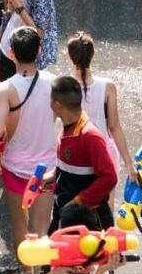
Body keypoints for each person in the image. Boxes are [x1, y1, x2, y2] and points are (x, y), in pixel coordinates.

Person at [0, 27, 58, 247]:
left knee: (20, 226)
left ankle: (25, 267)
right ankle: (42, 268)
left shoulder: (5, 89)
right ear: (39, 50)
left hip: (15, 168)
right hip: (46, 169)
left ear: (11, 53)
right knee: (42, 228)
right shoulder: (54, 82)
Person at [47, 75, 117, 230]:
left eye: (50, 100)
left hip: (87, 225)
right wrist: (52, 176)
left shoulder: (89, 136)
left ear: (58, 105)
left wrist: (78, 202)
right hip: (65, 215)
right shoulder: (68, 128)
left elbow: (109, 178)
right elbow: (73, 169)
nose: (49, 104)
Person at [67, 32, 134, 177]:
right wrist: (129, 163)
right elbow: (114, 127)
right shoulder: (108, 86)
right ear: (93, 54)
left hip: (75, 157)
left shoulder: (64, 86)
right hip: (104, 155)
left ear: (69, 56)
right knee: (106, 192)